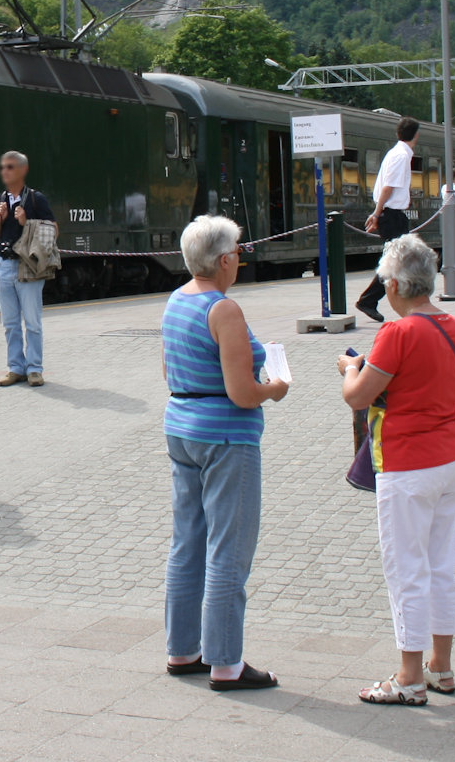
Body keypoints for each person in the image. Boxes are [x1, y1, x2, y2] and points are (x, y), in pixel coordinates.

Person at [337, 234, 455, 706]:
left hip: (407, 461)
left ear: (395, 284)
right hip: (452, 456)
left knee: (406, 570)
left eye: (383, 283)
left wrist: (349, 368)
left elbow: (358, 396)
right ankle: (442, 666)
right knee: (441, 566)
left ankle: (409, 676)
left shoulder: (397, 333)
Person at [160, 215, 289, 692]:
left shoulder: (176, 301)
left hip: (182, 428)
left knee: (187, 542)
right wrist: (275, 387)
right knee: (228, 550)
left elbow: (171, 369)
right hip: (226, 437)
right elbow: (241, 393)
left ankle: (182, 649)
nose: (240, 257)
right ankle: (227, 663)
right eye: (237, 250)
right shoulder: (224, 309)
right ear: (223, 259)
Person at [0, 151, 55, 387]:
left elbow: (53, 230)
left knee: (32, 322)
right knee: (10, 323)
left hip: (28, 266)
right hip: (3, 266)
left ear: (23, 170)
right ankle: (15, 368)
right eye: (3, 167)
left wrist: (26, 222)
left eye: (10, 167)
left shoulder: (36, 200)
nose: (5, 171)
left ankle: (34, 369)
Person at [359, 117, 420, 323]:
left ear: (398, 134)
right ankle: (368, 300)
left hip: (392, 213)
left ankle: (373, 300)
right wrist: (377, 213)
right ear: (416, 136)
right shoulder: (401, 156)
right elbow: (388, 187)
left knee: (397, 260)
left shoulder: (396, 153)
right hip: (391, 214)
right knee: (395, 261)